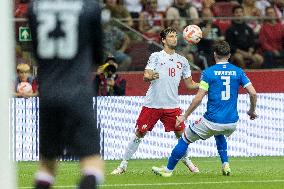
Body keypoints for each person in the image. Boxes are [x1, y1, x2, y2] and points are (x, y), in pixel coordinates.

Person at [152, 40, 257, 177]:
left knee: (184, 138)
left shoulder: (208, 73)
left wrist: (184, 116)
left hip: (212, 121)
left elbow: (198, 98)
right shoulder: (238, 72)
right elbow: (253, 93)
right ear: (229, 55)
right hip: (232, 123)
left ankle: (168, 170)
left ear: (214, 55)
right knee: (219, 133)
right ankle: (225, 164)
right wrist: (252, 110)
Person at [28, 0, 104, 189]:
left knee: (46, 165)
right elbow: (98, 56)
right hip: (78, 92)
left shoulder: (35, 7)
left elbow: (36, 52)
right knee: (92, 162)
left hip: (47, 94)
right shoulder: (90, 7)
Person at [111, 27, 200, 175]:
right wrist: (150, 76)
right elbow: (146, 75)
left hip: (172, 105)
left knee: (182, 135)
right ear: (163, 40)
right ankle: (123, 165)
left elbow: (190, 85)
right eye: (171, 36)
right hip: (152, 104)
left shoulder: (183, 61)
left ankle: (187, 160)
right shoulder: (156, 56)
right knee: (140, 133)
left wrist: (204, 85)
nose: (174, 39)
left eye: (175, 36)